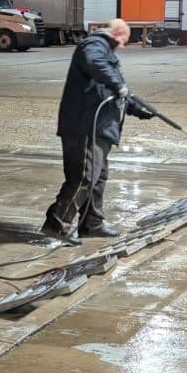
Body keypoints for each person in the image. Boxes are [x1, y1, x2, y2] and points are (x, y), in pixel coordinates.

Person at [42, 18, 154, 246]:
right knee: (84, 176)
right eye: (123, 41)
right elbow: (98, 67)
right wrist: (120, 86)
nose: (122, 46)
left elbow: (110, 90)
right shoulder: (94, 45)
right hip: (85, 125)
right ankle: (57, 223)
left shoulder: (104, 52)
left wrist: (136, 106)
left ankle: (91, 223)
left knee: (98, 176)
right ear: (118, 35)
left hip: (100, 127)